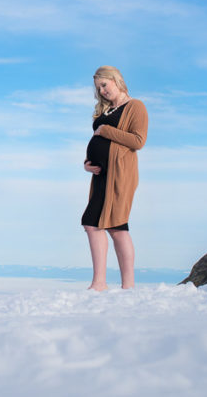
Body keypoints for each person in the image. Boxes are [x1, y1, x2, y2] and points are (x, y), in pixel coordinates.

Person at [81, 65, 148, 290]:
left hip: (120, 175)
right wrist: (87, 164)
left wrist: (105, 132)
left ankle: (127, 285)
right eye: (98, 88)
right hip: (101, 176)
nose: (101, 91)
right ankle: (99, 282)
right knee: (93, 224)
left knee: (117, 226)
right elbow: (96, 143)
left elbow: (138, 141)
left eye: (104, 85)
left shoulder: (135, 106)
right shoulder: (106, 111)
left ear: (116, 80)